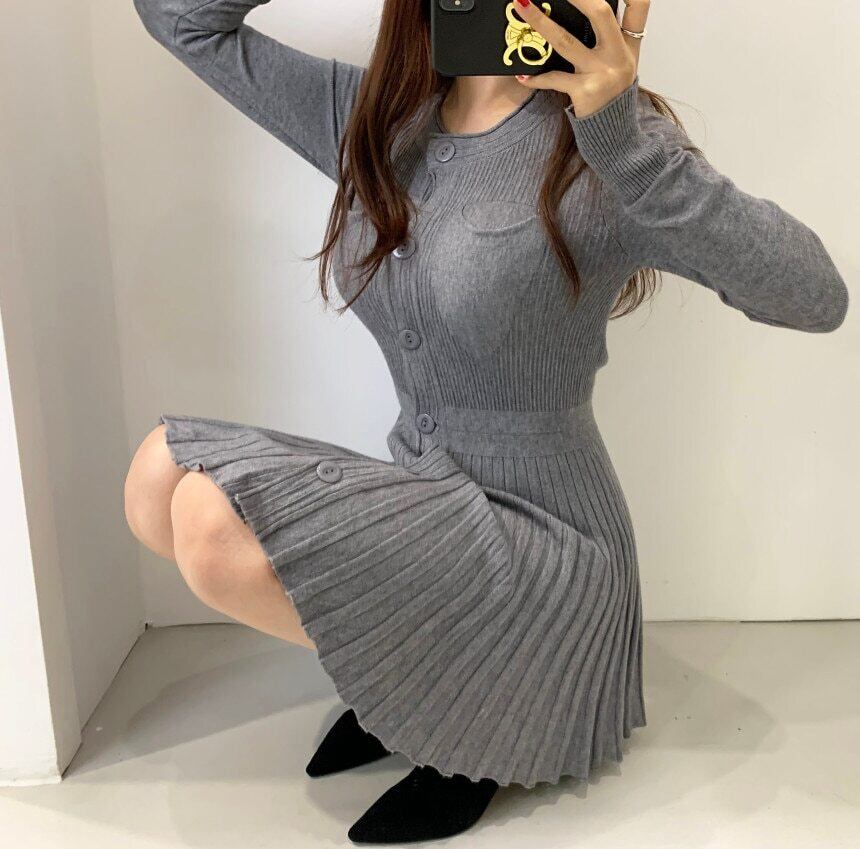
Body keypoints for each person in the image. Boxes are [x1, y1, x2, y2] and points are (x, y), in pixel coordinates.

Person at [125, 0, 849, 843]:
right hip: (427, 509)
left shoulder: (603, 144)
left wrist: (625, 143)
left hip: (548, 544)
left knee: (208, 524)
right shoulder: (375, 120)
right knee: (157, 475)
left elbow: (815, 297)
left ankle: (467, 707)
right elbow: (178, 18)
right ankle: (414, 672)